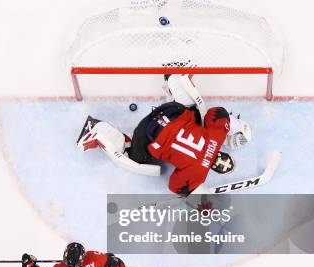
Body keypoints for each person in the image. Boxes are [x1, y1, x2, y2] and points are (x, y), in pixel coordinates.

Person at [76, 73, 252, 195]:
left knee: (198, 115)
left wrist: (232, 129)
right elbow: (174, 186)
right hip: (148, 131)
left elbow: (217, 112)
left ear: (223, 153)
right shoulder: (198, 174)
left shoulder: (217, 137)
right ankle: (97, 130)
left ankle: (175, 81)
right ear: (213, 169)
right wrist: (193, 190)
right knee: (133, 157)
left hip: (170, 111)